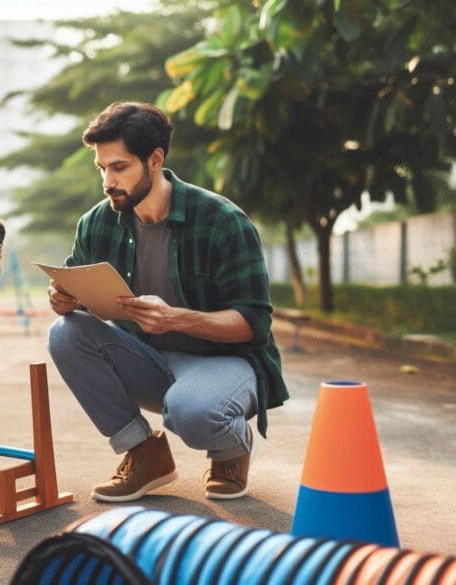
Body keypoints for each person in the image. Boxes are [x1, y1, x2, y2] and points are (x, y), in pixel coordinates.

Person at [47, 101, 288, 502]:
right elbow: (80, 288)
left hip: (226, 362)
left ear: (155, 159)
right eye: (102, 168)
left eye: (119, 167)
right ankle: (145, 453)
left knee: (192, 411)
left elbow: (254, 324)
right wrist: (65, 298)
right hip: (149, 358)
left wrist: (176, 319)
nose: (108, 181)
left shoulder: (222, 221)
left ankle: (231, 447)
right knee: (65, 333)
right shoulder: (96, 222)